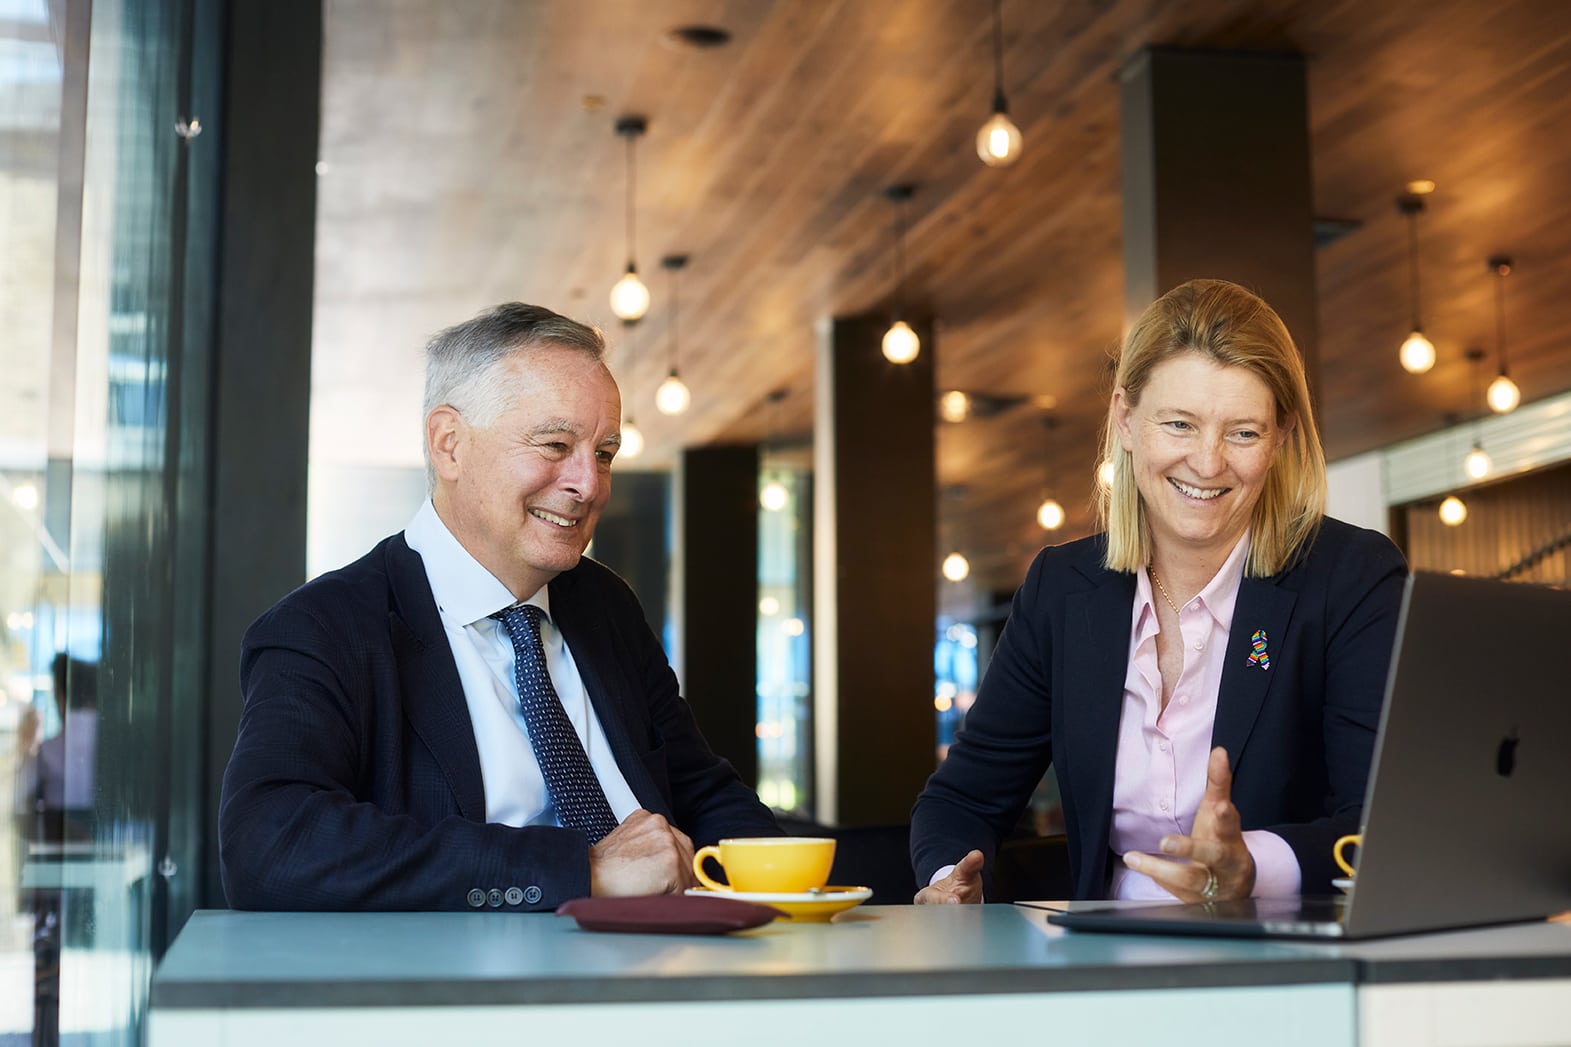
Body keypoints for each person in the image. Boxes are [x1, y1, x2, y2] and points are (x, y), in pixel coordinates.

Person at [219, 303, 780, 911]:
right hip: (469, 994)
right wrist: (582, 871)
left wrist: (791, 889)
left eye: (604, 454)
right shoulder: (324, 627)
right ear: (449, 444)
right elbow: (270, 842)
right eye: (555, 444)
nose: (588, 485)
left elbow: (701, 792)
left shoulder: (606, 605)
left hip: (667, 971)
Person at [911, 279, 1407, 904]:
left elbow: (1382, 822)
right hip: (1103, 967)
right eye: (1179, 424)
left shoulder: (1351, 577)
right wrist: (946, 882)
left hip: (1289, 966)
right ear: (1125, 418)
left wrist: (1251, 865)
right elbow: (963, 797)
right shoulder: (1063, 589)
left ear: (1280, 437)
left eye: (1243, 433)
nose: (1207, 462)